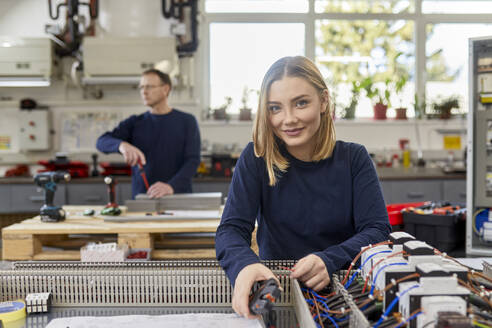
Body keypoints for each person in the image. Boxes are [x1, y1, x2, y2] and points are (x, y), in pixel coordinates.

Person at [215, 56, 391, 318]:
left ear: (323, 101)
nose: (288, 119)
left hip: (349, 295)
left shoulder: (354, 158)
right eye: (275, 108)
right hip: (278, 295)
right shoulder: (256, 158)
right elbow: (231, 229)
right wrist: (244, 265)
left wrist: (329, 260)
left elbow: (377, 230)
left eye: (301, 103)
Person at [96, 69, 201, 199]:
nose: (144, 92)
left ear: (166, 89)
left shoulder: (187, 121)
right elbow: (101, 141)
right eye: (141, 87)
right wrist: (122, 145)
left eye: (149, 87)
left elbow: (193, 161)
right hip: (144, 198)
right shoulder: (135, 122)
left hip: (178, 196)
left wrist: (171, 186)